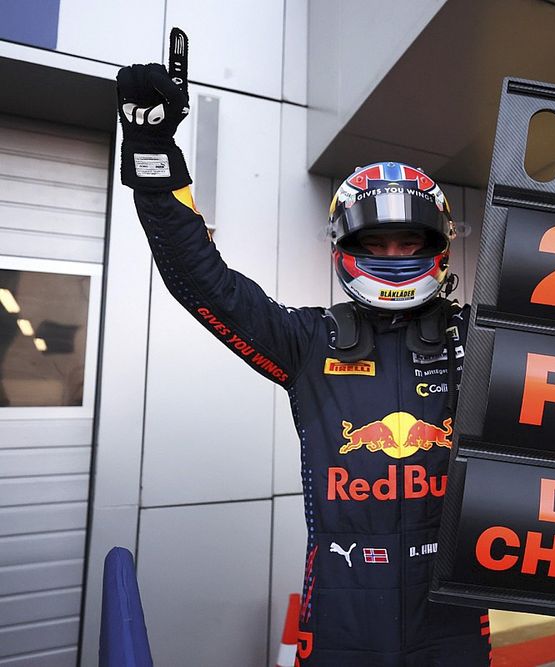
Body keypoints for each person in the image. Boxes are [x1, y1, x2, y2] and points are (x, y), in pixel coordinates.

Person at [115, 39, 491, 666]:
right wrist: (154, 155)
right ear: (344, 244)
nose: (394, 257)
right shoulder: (309, 341)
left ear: (440, 247)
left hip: (451, 613)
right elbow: (201, 281)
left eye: (409, 243)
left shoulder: (478, 339)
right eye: (378, 242)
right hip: (340, 613)